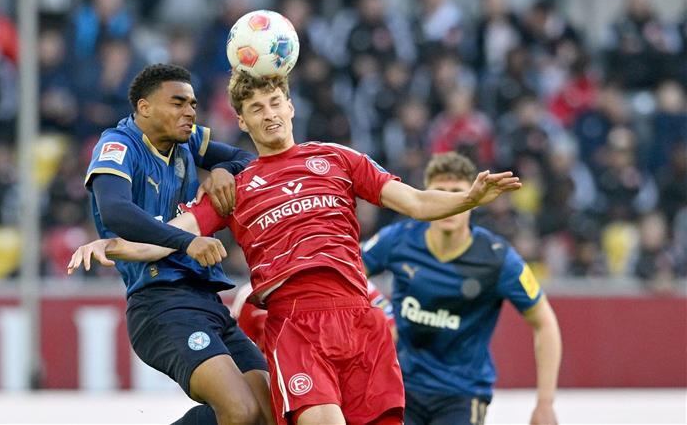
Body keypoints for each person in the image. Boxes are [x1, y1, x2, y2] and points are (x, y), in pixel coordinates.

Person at [70, 71, 521, 425]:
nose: (268, 115)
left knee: (261, 414)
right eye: (254, 109)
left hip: (361, 320)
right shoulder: (236, 189)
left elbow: (418, 202)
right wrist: (111, 245)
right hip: (297, 326)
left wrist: (468, 199)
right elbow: (173, 236)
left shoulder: (340, 159)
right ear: (242, 121)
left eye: (274, 103)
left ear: (290, 106)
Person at [81, 63, 273, 425]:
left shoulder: (187, 142)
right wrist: (188, 242)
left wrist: (222, 170)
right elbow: (116, 211)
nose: (189, 112)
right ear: (144, 107)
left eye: (193, 105)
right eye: (178, 103)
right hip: (160, 303)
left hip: (207, 302)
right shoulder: (118, 145)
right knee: (240, 411)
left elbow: (247, 160)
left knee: (270, 414)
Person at [361, 152, 561, 425]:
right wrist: (382, 310)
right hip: (400, 385)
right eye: (439, 192)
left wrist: (545, 404)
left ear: (473, 200)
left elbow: (545, 323)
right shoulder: (399, 239)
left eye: (456, 192)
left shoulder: (497, 258)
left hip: (462, 394)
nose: (447, 201)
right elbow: (346, 271)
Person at [229, 279, 396, 353]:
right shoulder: (250, 295)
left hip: (347, 386)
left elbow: (390, 331)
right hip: (275, 390)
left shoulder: (360, 285)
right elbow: (242, 352)